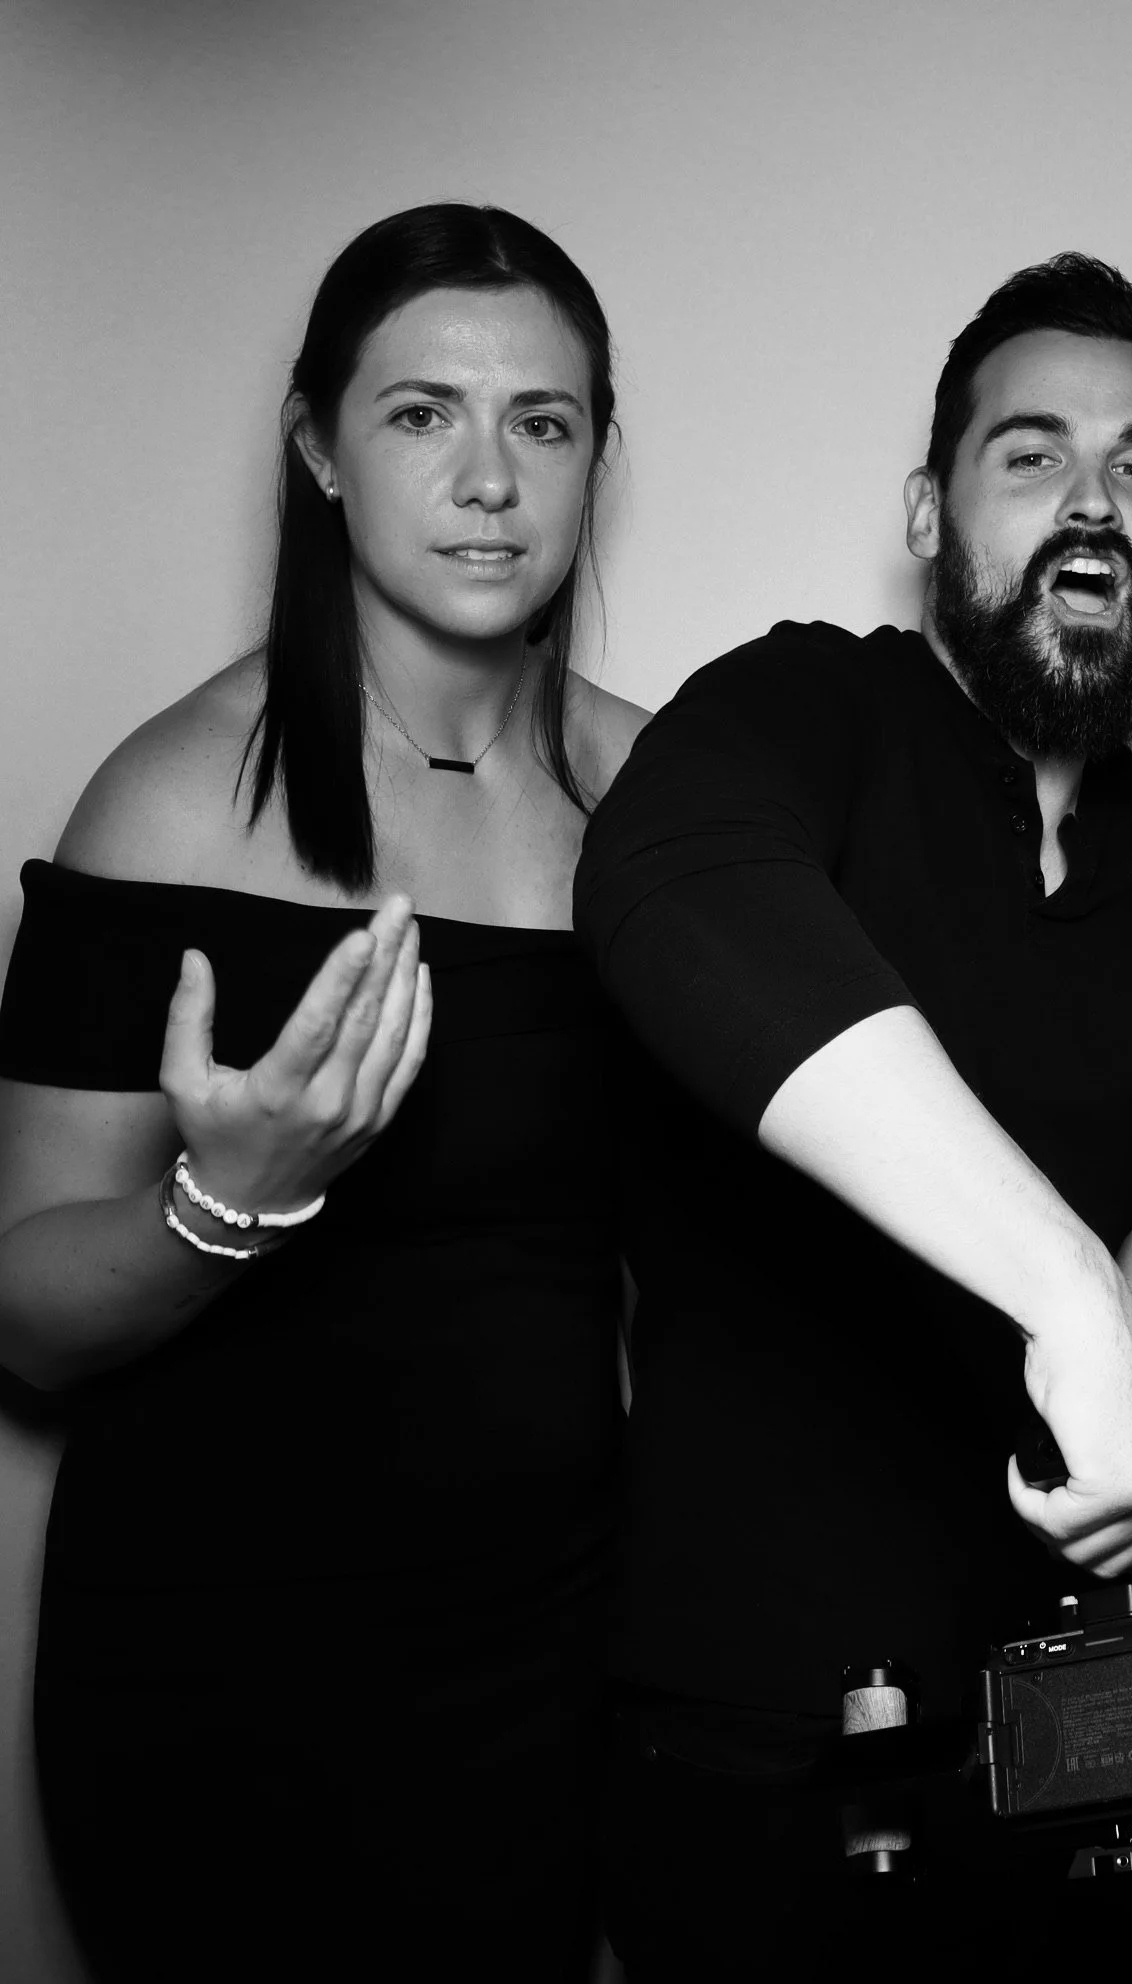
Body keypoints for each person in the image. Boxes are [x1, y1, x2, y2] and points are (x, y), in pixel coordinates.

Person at [0, 203, 649, 1981]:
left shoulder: (665, 811)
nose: (491, 480)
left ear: (599, 452)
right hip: (221, 1679)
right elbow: (26, 1312)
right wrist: (239, 1196)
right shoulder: (166, 801)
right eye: (422, 414)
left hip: (555, 1668)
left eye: (544, 422)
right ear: (318, 447)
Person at [574, 253, 1132, 1976]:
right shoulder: (809, 711)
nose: (1095, 505)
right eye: (1032, 455)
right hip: (743, 1766)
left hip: (1087, 1778)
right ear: (927, 511)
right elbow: (672, 883)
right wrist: (1068, 1289)